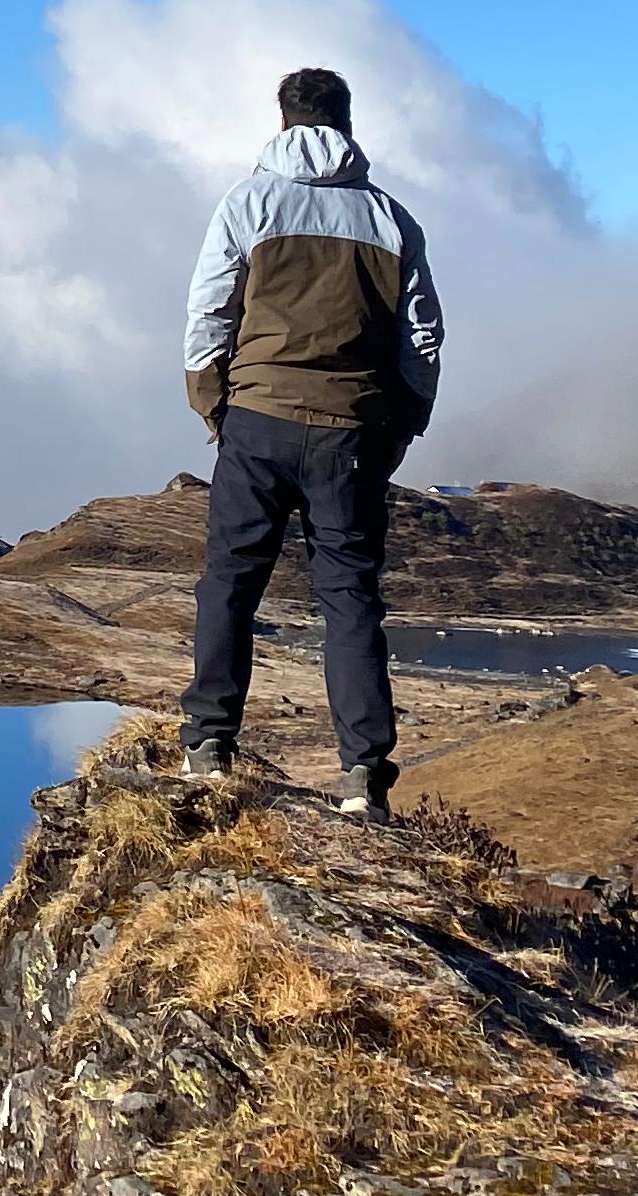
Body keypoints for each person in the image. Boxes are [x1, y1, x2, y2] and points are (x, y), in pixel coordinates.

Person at [177, 61, 441, 818]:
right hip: (351, 435)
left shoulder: (246, 203)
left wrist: (214, 408)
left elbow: (207, 313)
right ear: (348, 124)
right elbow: (422, 335)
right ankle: (364, 778)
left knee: (230, 582)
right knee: (350, 599)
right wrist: (404, 423)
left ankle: (208, 747)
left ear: (285, 121)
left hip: (256, 420)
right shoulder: (390, 219)